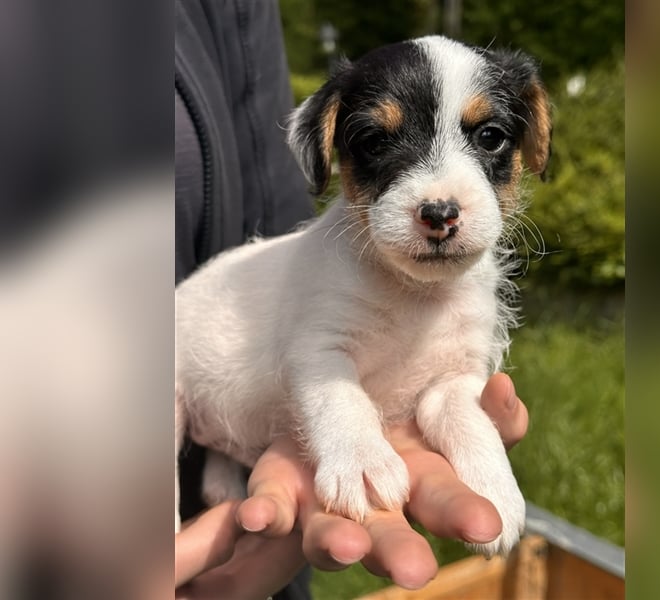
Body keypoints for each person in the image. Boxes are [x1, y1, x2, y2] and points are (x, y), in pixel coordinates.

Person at [174, 1, 529, 598]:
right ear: (327, 147)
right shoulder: (335, 268)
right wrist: (352, 439)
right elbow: (319, 353)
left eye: (488, 137)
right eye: (375, 141)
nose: (439, 206)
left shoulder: (473, 286)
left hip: (255, 463)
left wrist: (472, 439)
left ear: (530, 147)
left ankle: (222, 478)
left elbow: (450, 385)